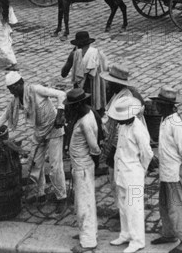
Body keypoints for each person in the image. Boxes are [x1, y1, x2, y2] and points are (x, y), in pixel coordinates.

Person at [0, 71, 67, 210]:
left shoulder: (36, 90)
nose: (11, 92)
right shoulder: (16, 100)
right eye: (9, 90)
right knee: (35, 164)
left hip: (54, 129)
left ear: (21, 83)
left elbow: (61, 94)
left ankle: (62, 198)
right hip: (39, 132)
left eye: (13, 88)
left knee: (55, 167)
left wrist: (60, 114)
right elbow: (3, 118)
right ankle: (41, 194)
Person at [150, 87, 182, 253]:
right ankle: (169, 233)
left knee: (177, 206)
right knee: (164, 205)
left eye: (159, 104)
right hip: (166, 172)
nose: (156, 107)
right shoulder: (165, 120)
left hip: (174, 173)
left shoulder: (176, 124)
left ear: (167, 106)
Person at [108, 96, 153, 253]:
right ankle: (125, 233)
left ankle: (137, 240)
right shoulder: (123, 127)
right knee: (123, 206)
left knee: (134, 208)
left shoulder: (138, 128)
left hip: (133, 174)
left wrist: (141, 169)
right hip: (121, 174)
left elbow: (147, 153)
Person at [101, 64, 145, 213]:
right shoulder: (116, 96)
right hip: (115, 144)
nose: (106, 85)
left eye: (109, 82)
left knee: (127, 181)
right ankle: (122, 211)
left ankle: (133, 212)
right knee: (114, 180)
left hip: (126, 145)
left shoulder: (127, 98)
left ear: (116, 84)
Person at [65, 88, 101, 253]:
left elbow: (94, 147)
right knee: (83, 202)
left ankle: (88, 242)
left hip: (83, 167)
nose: (70, 109)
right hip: (81, 166)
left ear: (79, 104)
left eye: (72, 106)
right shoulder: (87, 114)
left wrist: (91, 161)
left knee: (84, 204)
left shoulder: (85, 121)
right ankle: (88, 232)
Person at [61, 31, 108, 113]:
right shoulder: (98, 53)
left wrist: (72, 56)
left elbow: (63, 73)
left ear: (77, 43)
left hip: (81, 93)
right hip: (96, 91)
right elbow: (106, 70)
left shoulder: (74, 54)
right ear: (89, 43)